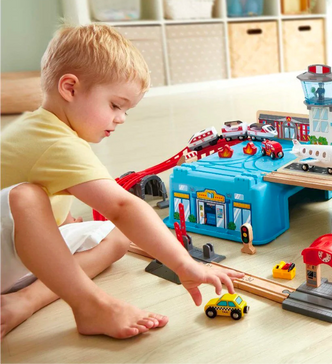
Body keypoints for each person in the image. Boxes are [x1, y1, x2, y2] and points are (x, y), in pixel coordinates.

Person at [0, 24, 243, 340]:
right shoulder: (55, 142)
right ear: (70, 88)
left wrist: (63, 222)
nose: (121, 118)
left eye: (126, 110)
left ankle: (27, 299)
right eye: (115, 105)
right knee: (27, 197)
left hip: (12, 255)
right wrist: (184, 263)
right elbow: (121, 206)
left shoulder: (52, 132)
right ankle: (90, 305)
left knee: (116, 237)